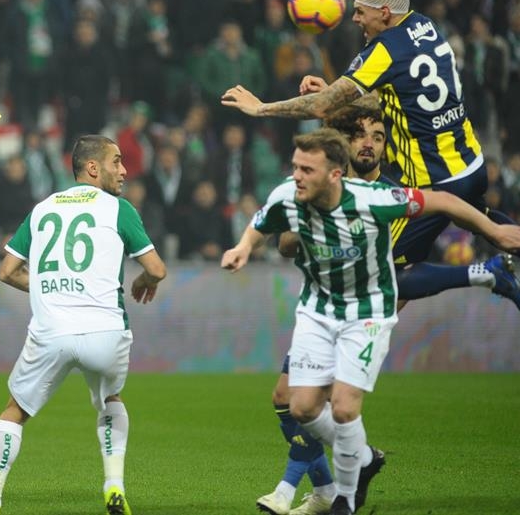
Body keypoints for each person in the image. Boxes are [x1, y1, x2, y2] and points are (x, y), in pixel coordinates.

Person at [223, 129, 520, 515]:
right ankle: (361, 457)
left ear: (334, 174)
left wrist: (494, 230)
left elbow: (444, 199)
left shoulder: (374, 199)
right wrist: (243, 247)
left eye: (306, 170)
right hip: (317, 310)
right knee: (302, 408)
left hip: (366, 313)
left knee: (344, 409)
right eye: (296, 167)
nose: (296, 176)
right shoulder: (288, 194)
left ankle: (343, 501)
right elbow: (262, 223)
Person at [221, 0, 517, 291]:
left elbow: (320, 107)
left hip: (435, 180)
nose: (355, 18)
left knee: (377, 271)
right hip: (470, 164)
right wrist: (337, 91)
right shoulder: (425, 26)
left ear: (384, 13)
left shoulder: (383, 50)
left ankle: (488, 274)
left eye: (361, 11)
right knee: (492, 227)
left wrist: (261, 107)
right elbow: (398, 95)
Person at [0, 135, 167, 515]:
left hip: (52, 332)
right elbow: (157, 269)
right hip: (105, 332)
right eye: (116, 161)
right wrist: (145, 281)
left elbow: (7, 271)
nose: (124, 171)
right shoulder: (119, 209)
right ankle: (114, 487)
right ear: (93, 168)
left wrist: (51, 287)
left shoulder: (43, 208)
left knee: (15, 410)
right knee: (111, 400)